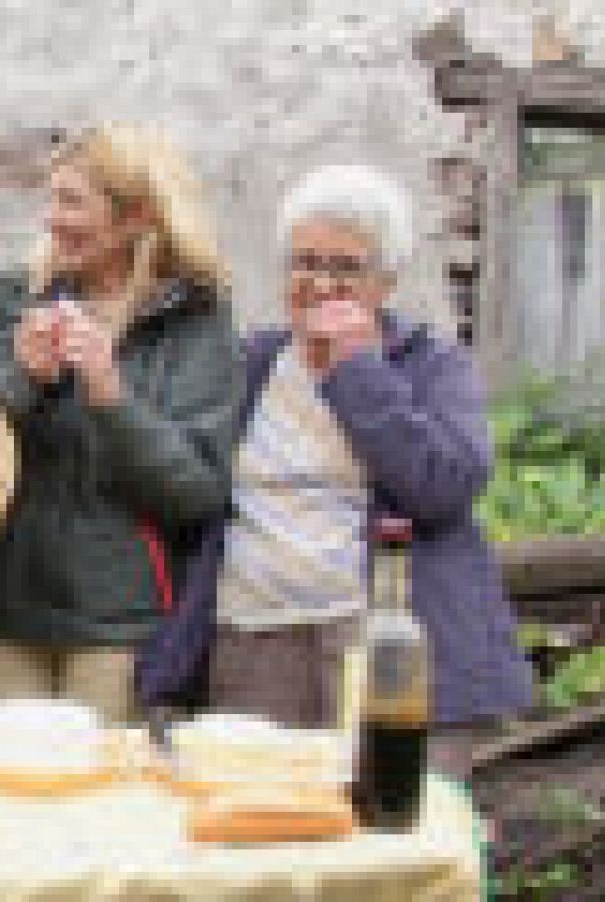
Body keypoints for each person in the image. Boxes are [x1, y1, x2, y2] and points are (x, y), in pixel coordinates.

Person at [136, 163, 535, 778]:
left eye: (346, 268)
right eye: (305, 262)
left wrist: (357, 372)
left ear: (386, 282)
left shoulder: (432, 366)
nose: (320, 282)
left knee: (391, 822)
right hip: (253, 634)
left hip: (379, 641)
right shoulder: (251, 363)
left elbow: (443, 487)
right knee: (260, 820)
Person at [0, 124, 242, 725]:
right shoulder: (17, 295)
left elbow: (196, 492)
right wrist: (22, 377)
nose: (51, 220)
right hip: (9, 606)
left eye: (72, 201)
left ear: (136, 216)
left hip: (122, 622)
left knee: (104, 797)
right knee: (10, 792)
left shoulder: (194, 319)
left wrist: (112, 397)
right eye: (50, 198)